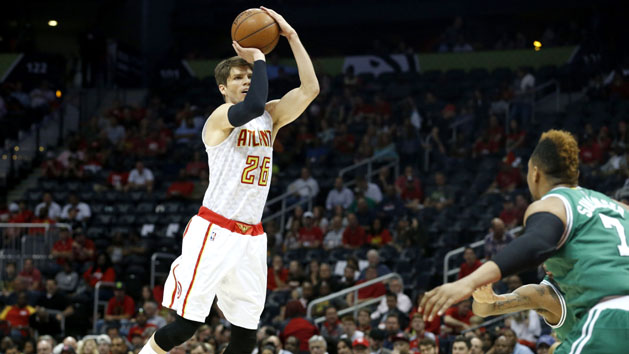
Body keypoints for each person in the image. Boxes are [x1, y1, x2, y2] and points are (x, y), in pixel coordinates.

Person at [138, 8, 318, 354]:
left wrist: (292, 36)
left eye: (249, 75)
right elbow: (249, 108)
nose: (246, 80)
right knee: (186, 326)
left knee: (246, 332)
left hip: (251, 236)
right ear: (223, 87)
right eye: (238, 77)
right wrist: (260, 59)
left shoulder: (271, 117)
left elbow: (310, 89)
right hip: (215, 229)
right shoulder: (221, 116)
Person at [421, 130, 629, 354]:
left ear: (535, 173)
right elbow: (486, 308)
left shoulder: (555, 203)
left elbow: (535, 244)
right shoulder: (619, 208)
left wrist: (467, 282)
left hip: (611, 315)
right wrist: (483, 296)